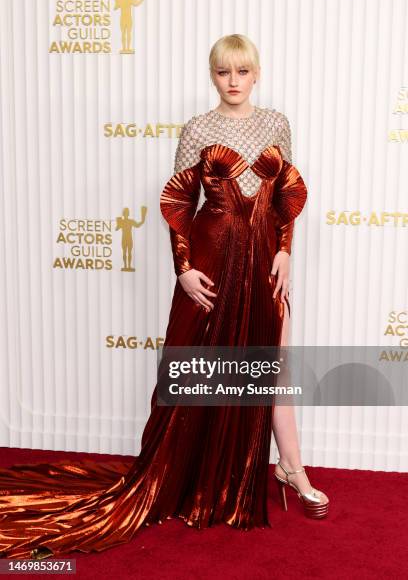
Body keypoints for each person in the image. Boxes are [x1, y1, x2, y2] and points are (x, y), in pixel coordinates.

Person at [0, 34, 328, 561]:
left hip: (263, 260)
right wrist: (184, 270)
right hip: (212, 263)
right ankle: (195, 478)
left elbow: (286, 197)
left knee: (270, 369)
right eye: (224, 72)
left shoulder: (276, 124)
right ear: (212, 75)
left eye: (242, 71)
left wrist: (285, 252)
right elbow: (179, 201)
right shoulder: (197, 128)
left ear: (256, 73)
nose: (234, 81)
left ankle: (292, 469)